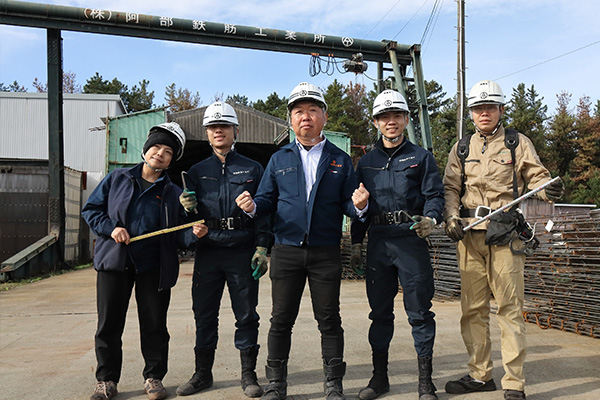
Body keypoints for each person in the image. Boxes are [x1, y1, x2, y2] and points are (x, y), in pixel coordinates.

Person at [442, 80, 564, 400]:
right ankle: (480, 375)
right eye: (478, 108)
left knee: (509, 309)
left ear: (501, 109)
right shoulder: (461, 147)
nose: (484, 113)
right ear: (471, 113)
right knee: (473, 310)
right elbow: (451, 188)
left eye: (489, 107)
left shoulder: (516, 143)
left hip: (506, 234)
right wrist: (452, 218)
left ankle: (513, 382)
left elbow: (536, 176)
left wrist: (547, 188)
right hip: (469, 236)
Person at [235, 82, 358, 400]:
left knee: (329, 319)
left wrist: (360, 205)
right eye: (299, 111)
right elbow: (265, 200)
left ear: (325, 117)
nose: (306, 117)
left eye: (313, 110)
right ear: (290, 119)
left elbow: (349, 204)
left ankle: (333, 383)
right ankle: (276, 383)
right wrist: (252, 207)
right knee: (280, 319)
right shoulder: (279, 159)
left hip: (325, 251)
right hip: (287, 250)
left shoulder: (340, 160)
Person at [82, 122, 207, 400]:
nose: (160, 154)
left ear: (172, 159)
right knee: (109, 324)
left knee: (154, 325)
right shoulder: (117, 179)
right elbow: (91, 210)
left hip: (154, 267)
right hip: (115, 262)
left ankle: (153, 377)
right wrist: (111, 228)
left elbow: (180, 235)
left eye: (167, 151)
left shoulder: (174, 193)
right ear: (145, 149)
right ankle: (107, 380)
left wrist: (194, 233)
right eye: (156, 147)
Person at [350, 90, 444, 400]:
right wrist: (356, 243)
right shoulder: (365, 163)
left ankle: (425, 382)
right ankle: (380, 379)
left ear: (405, 119)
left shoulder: (421, 157)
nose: (391, 122)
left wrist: (430, 219)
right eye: (384, 117)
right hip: (379, 242)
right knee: (379, 313)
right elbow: (358, 206)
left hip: (410, 240)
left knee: (419, 313)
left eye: (396, 116)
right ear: (376, 122)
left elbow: (435, 195)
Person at [176, 102, 272, 398]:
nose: (218, 130)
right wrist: (188, 213)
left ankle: (248, 375)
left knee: (246, 315)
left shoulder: (253, 168)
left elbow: (266, 211)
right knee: (204, 314)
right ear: (207, 134)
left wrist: (262, 247)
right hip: (209, 252)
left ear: (235, 131)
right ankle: (202, 374)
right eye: (213, 127)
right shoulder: (194, 171)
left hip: (242, 250)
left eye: (224, 126)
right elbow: (186, 223)